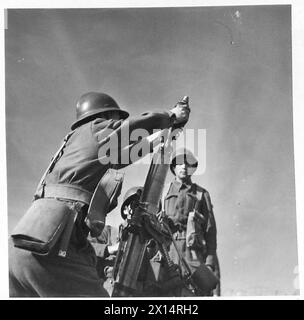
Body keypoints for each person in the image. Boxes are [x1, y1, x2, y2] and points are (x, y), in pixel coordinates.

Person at [9, 91, 190, 297]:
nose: (116, 123)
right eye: (115, 119)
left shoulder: (75, 143)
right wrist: (171, 115)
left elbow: (125, 156)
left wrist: (164, 136)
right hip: (52, 246)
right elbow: (135, 126)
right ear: (104, 116)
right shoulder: (96, 128)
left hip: (21, 249)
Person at [159, 148, 219, 296]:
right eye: (180, 163)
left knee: (197, 291)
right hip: (168, 251)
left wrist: (210, 260)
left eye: (188, 164)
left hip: (193, 252)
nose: (184, 167)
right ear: (173, 167)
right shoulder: (163, 192)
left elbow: (210, 230)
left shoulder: (201, 194)